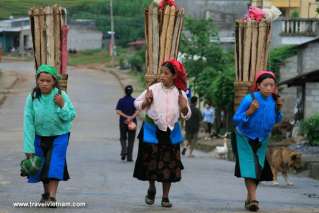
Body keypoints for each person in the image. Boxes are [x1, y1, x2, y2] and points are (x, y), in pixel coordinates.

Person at [133, 59, 191, 208]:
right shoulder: (153, 89)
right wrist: (146, 102)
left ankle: (165, 197)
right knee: (150, 163)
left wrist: (184, 108)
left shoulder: (180, 93)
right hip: (152, 129)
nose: (162, 76)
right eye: (161, 72)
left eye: (166, 73)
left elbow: (187, 114)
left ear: (174, 76)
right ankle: (151, 188)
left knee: (170, 165)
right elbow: (137, 103)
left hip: (170, 132)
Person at [23, 64, 76, 207]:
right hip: (39, 137)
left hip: (60, 135)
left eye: (48, 81)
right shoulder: (32, 97)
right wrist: (28, 147)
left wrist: (62, 105)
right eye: (41, 80)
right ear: (37, 81)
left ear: (54, 82)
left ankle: (52, 197)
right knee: (41, 166)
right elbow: (28, 123)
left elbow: (71, 115)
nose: (44, 84)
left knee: (54, 164)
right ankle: (46, 193)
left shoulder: (61, 95)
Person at [232, 70, 283, 212]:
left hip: (262, 139)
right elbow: (235, 119)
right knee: (249, 168)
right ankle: (254, 199)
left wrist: (279, 108)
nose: (269, 88)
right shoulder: (250, 99)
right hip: (244, 137)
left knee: (258, 169)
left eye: (271, 85)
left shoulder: (274, 101)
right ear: (258, 85)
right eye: (265, 85)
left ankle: (249, 198)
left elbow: (278, 120)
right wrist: (249, 111)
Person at [115, 85, 138, 162]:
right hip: (132, 123)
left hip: (123, 122)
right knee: (131, 140)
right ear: (132, 92)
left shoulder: (121, 100)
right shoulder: (135, 101)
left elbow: (118, 111)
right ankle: (129, 157)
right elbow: (137, 111)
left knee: (123, 137)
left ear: (125, 91)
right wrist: (131, 118)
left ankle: (124, 150)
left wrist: (126, 117)